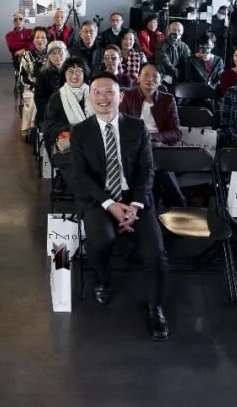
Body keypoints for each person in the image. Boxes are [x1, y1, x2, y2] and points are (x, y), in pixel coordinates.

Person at [63, 72, 170, 341]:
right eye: (97, 92)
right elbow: (80, 177)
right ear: (90, 98)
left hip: (134, 199)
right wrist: (110, 205)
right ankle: (102, 280)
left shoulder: (137, 128)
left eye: (109, 92)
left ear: (120, 97)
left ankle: (156, 307)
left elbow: (147, 171)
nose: (103, 97)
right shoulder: (81, 132)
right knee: (101, 240)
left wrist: (134, 205)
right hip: (99, 200)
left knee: (155, 252)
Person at [120, 63, 182, 146]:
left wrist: (153, 137)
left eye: (155, 76)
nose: (150, 79)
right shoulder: (127, 97)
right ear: (138, 78)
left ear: (160, 81)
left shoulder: (168, 100)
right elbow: (120, 126)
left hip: (158, 144)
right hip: (134, 144)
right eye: (146, 74)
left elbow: (176, 133)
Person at [41, 56, 94, 150]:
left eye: (78, 71)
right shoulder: (57, 97)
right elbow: (50, 125)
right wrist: (75, 131)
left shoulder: (95, 94)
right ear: (64, 75)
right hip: (70, 144)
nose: (74, 76)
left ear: (84, 74)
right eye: (70, 71)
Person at [18, 28, 50, 132]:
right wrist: (34, 87)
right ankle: (29, 129)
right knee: (33, 103)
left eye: (43, 37)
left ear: (47, 39)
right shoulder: (27, 55)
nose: (40, 40)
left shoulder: (52, 55)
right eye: (37, 37)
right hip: (31, 88)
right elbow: (23, 76)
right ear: (33, 39)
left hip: (50, 87)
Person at [33, 41, 68, 126]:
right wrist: (52, 113)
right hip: (49, 114)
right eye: (53, 53)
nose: (57, 56)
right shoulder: (43, 74)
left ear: (66, 53)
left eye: (60, 52)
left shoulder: (71, 72)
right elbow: (39, 100)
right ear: (48, 57)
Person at [155, 22, 190, 87]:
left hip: (180, 79)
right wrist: (175, 71)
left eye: (179, 30)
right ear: (168, 31)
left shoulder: (185, 47)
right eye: (174, 30)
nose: (176, 33)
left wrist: (181, 72)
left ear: (182, 32)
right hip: (163, 79)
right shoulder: (160, 45)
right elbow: (164, 61)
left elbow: (187, 61)